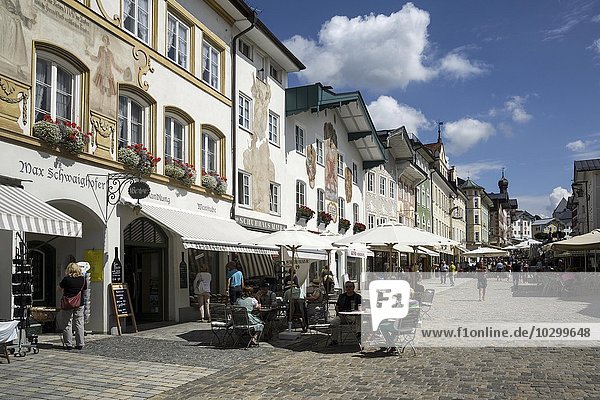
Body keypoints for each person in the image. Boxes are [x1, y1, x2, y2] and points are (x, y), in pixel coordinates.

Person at [57, 263, 87, 350]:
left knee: (67, 323)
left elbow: (59, 288)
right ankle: (80, 343)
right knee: (79, 323)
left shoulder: (66, 279)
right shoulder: (82, 279)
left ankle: (68, 344)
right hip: (79, 303)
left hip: (67, 304)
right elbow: (84, 289)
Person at [329, 281, 361, 346]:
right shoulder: (342, 296)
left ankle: (358, 333)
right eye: (347, 287)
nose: (348, 288)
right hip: (342, 315)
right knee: (333, 322)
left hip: (354, 316)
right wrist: (340, 315)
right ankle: (334, 340)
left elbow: (361, 307)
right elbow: (337, 306)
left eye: (350, 286)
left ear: (353, 288)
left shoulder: (357, 297)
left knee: (360, 317)